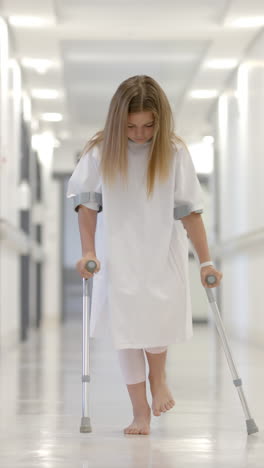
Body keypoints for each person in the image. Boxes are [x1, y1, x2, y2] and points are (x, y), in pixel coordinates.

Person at [67, 75, 223, 436]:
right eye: (131, 126)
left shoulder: (173, 151)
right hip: (117, 253)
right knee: (125, 333)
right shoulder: (99, 152)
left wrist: (206, 260)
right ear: (117, 121)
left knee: (156, 322)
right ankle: (140, 412)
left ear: (161, 119)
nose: (139, 134)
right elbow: (86, 205)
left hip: (161, 249)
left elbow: (190, 211)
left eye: (148, 125)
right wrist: (88, 251)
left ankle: (160, 377)